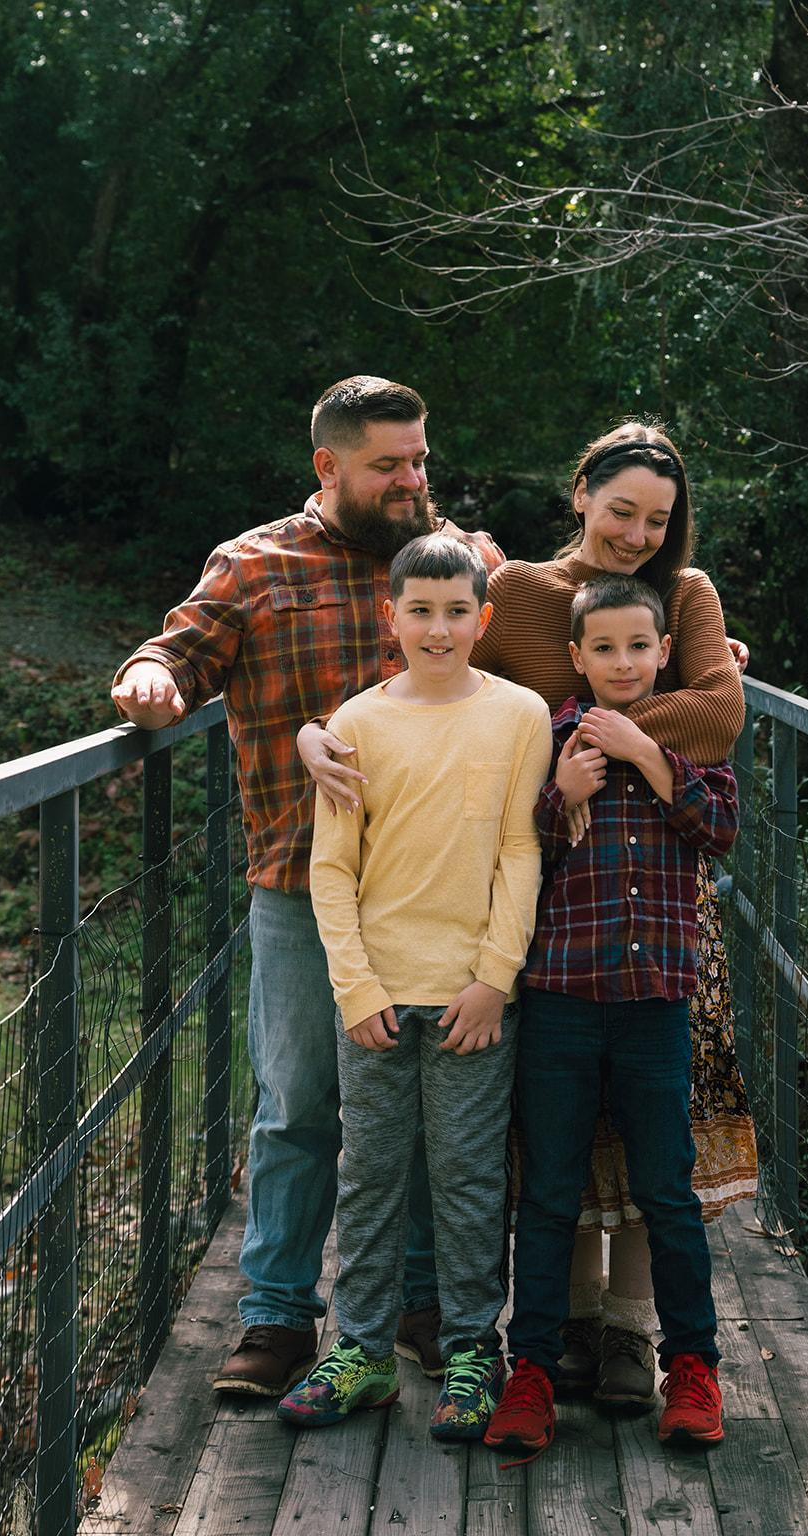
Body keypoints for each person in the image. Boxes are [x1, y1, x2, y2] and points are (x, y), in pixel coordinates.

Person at [297, 419, 756, 1403]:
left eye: (657, 519)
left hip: (656, 898)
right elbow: (437, 668)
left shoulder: (685, 595)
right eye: (621, 509)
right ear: (579, 489)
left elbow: (719, 718)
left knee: (650, 1138)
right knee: (555, 1137)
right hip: (548, 887)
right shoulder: (520, 593)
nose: (636, 534)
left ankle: (632, 1332)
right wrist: (315, 729)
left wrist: (607, 731)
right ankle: (564, 1329)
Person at [111, 377, 504, 1397]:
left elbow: (565, 629)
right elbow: (177, 650)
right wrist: (148, 677)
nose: (413, 480)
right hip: (297, 887)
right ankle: (278, 1317)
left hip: (438, 893)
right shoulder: (253, 565)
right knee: (298, 1105)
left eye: (420, 459)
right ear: (328, 467)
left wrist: (698, 653)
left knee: (427, 1109)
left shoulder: (454, 561)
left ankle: (420, 1308)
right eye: (389, 464)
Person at [277, 534, 552, 1440]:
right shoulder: (355, 724)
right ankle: (357, 1350)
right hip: (379, 1001)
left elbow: (520, 849)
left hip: (472, 999)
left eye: (457, 610)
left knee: (471, 1177)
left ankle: (475, 1350)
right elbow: (331, 869)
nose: (439, 628)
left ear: (483, 617)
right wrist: (355, 989)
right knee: (371, 1174)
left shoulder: (520, 715)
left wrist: (494, 980)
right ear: (389, 617)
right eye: (420, 611)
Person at [483, 573, 739, 1459]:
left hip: (654, 1006)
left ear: (664, 653)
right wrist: (562, 794)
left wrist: (647, 756)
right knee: (548, 1191)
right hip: (559, 999)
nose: (622, 661)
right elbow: (513, 848)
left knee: (667, 1191)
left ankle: (693, 1369)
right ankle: (534, 1373)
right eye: (604, 648)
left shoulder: (687, 742)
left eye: (639, 646)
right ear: (576, 658)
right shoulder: (548, 740)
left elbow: (718, 829)